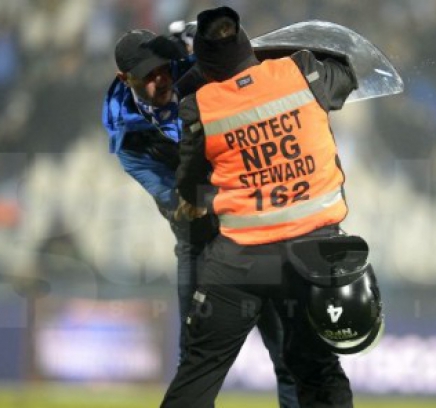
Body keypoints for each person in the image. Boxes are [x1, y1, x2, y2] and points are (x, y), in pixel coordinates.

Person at [161, 6, 384, 408]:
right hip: (313, 255)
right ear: (247, 46)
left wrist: (194, 205)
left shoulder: (200, 106)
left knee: (200, 369)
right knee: (316, 370)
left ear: (206, 61)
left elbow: (190, 186)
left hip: (241, 261)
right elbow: (348, 73)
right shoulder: (299, 70)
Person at [100, 28, 299, 407]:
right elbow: (181, 206)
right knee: (194, 362)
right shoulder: (128, 138)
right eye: (148, 74)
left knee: (289, 354)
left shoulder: (200, 73)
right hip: (201, 242)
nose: (161, 79)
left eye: (163, 68)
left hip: (255, 231)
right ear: (125, 80)